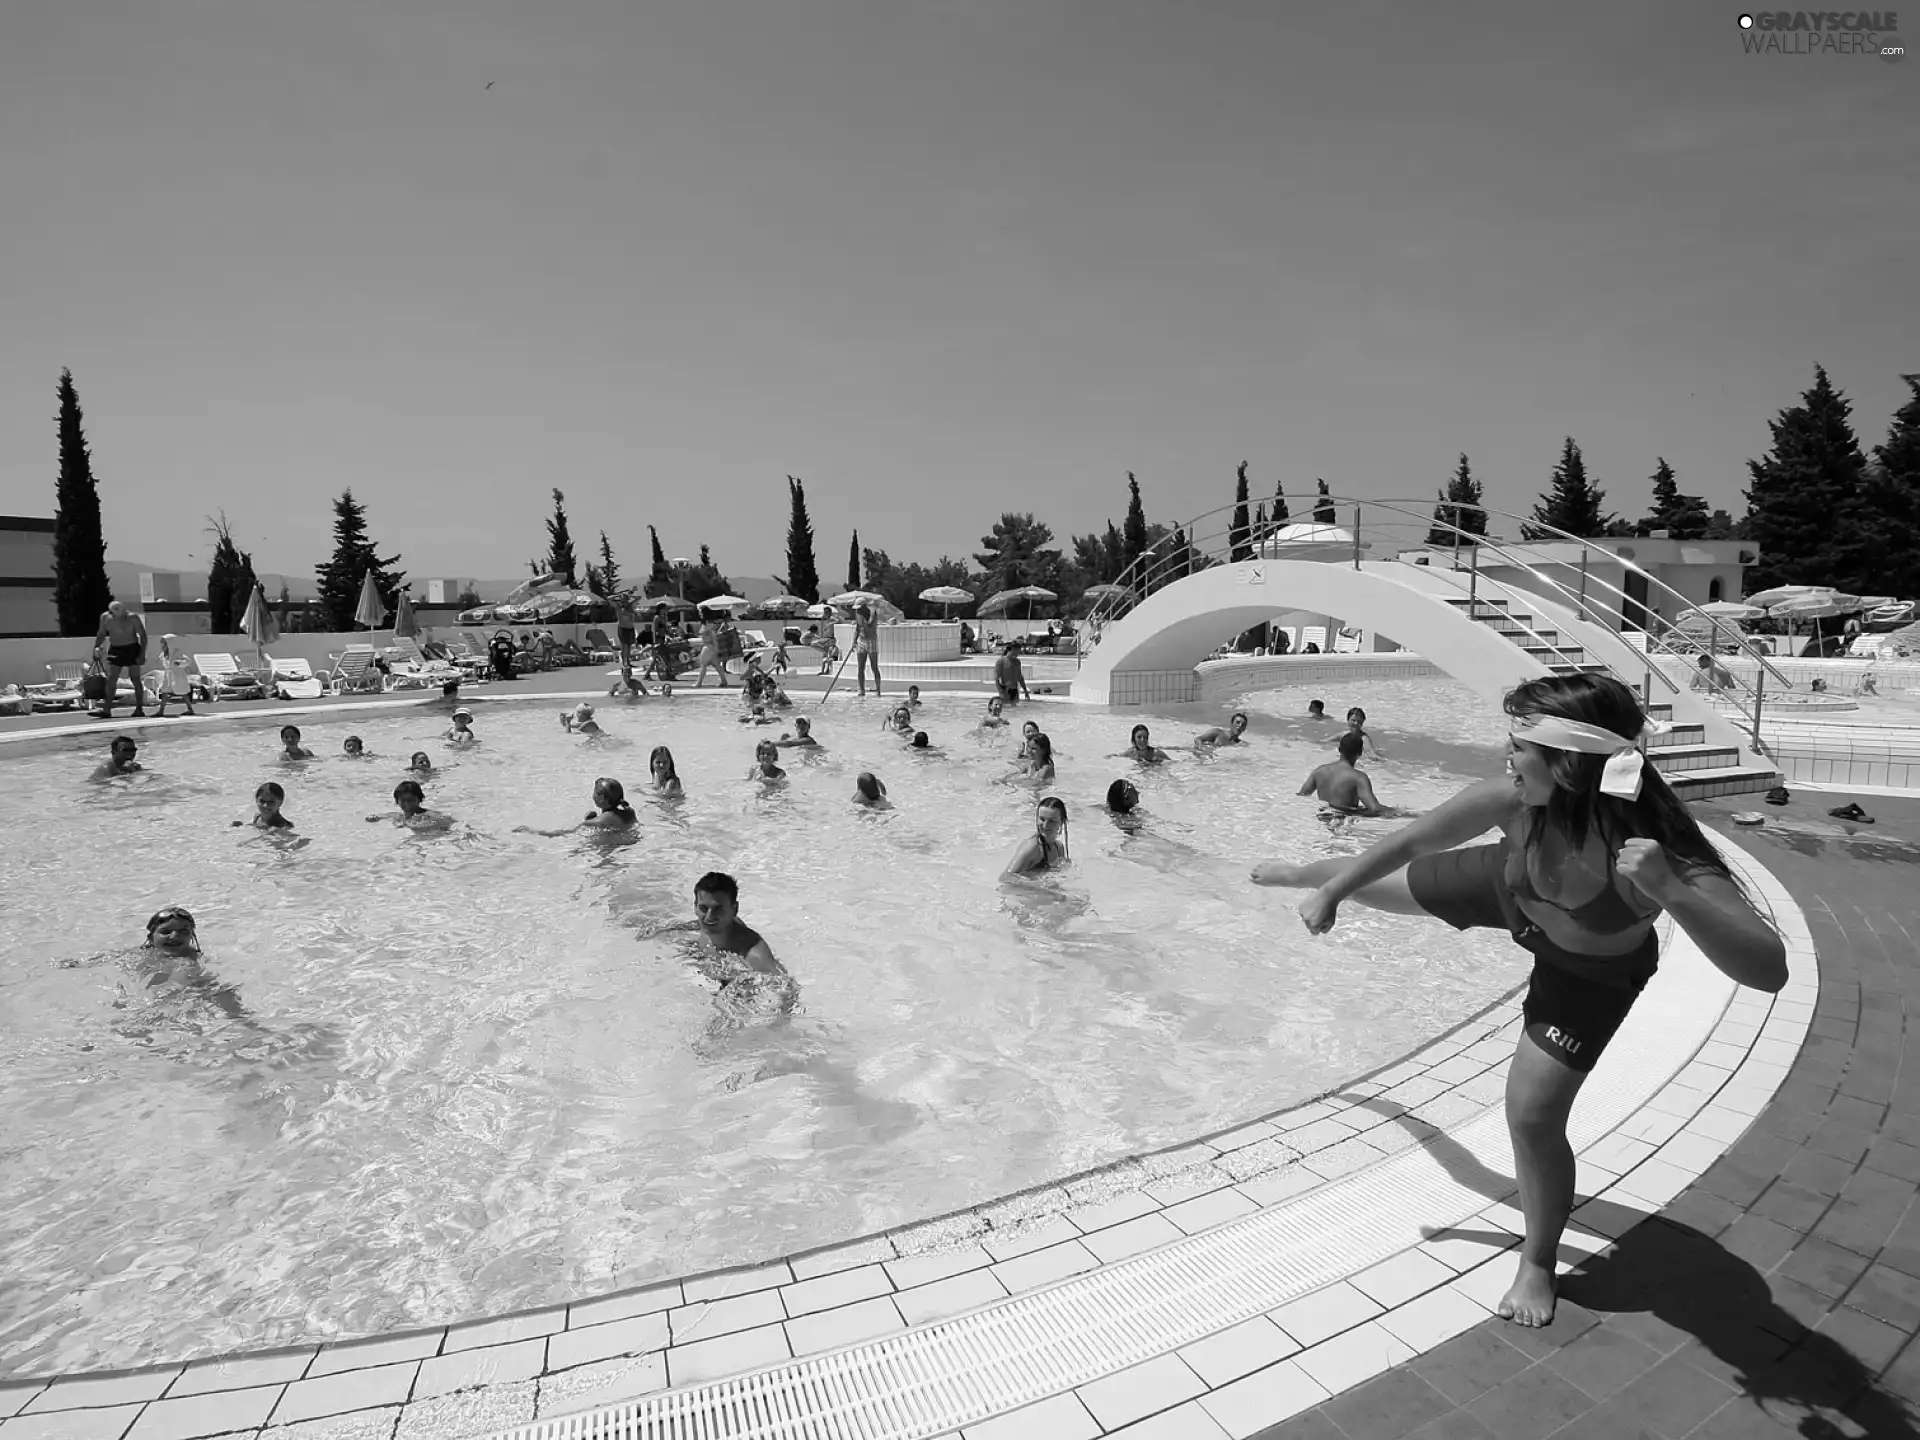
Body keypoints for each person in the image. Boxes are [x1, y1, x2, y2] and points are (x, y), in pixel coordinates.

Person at [1248, 673, 1787, 1328]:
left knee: (1530, 1118)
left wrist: (1672, 892)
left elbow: (1768, 970)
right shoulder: (1515, 800)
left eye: (1518, 747)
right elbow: (1416, 839)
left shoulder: (1654, 849)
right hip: (1507, 891)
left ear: (1566, 763)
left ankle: (1538, 1261)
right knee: (1356, 881)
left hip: (1584, 974)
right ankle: (1306, 877)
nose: (1505, 758)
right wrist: (1331, 895)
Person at [1299, 732, 1387, 816]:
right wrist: (1396, 811)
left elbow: (1301, 796)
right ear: (1360, 753)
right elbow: (1375, 809)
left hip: (1321, 821)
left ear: (1339, 749)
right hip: (1343, 824)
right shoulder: (1359, 778)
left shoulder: (1319, 771)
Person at [92, 600, 149, 719]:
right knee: (111, 679)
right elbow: (101, 633)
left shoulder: (132, 618)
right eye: (114, 611)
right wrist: (96, 647)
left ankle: (139, 708)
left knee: (135, 678)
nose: (116, 613)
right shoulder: (106, 618)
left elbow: (143, 635)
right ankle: (107, 709)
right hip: (115, 649)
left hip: (131, 648)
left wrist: (142, 654)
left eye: (119, 610)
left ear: (123, 610)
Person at [1001, 796, 1069, 879]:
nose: (1045, 825)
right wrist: (1042, 887)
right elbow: (1005, 877)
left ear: (1061, 822)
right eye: (1042, 819)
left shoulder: (1059, 847)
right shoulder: (1032, 848)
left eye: (1052, 821)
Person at [367, 779, 450, 829]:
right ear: (397, 801)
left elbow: (448, 820)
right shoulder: (398, 816)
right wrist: (373, 818)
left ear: (419, 799)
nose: (407, 804)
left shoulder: (428, 815)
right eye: (403, 800)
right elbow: (378, 817)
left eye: (410, 800)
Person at [153, 634, 199, 717]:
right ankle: (161, 711)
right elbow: (162, 661)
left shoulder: (178, 653)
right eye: (162, 643)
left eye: (165, 643)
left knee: (183, 693)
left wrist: (180, 663)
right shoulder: (164, 654)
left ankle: (190, 709)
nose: (163, 645)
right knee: (165, 692)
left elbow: (188, 661)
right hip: (168, 676)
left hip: (178, 676)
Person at [851, 603, 883, 698]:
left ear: (864, 607)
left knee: (874, 666)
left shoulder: (873, 613)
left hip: (871, 641)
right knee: (861, 667)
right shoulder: (858, 614)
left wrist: (863, 620)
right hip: (861, 641)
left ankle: (878, 690)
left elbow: (869, 627)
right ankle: (861, 689)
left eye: (859, 608)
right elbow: (857, 629)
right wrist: (854, 641)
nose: (857, 610)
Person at [692, 617, 728, 689]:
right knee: (717, 665)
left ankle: (699, 683)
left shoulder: (708, 626)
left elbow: (713, 636)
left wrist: (717, 648)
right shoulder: (708, 625)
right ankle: (724, 681)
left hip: (708, 647)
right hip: (710, 647)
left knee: (703, 665)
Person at [614, 592, 641, 670]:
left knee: (628, 646)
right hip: (622, 628)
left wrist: (630, 596)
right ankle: (624, 663)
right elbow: (608, 598)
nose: (624, 601)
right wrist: (617, 595)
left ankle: (628, 662)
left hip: (630, 628)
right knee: (623, 646)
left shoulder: (630, 606)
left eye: (625, 600)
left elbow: (639, 597)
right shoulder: (618, 607)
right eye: (623, 600)